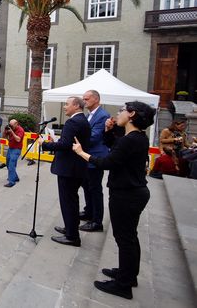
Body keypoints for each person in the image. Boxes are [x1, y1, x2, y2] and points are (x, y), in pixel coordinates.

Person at [72, 101, 156, 300]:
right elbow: (116, 148)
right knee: (129, 237)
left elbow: (108, 162)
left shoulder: (131, 140)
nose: (117, 114)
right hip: (133, 192)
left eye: (121, 111)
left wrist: (81, 153)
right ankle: (128, 274)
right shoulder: (135, 137)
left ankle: (123, 285)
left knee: (124, 238)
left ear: (132, 114)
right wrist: (110, 132)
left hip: (127, 194)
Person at [39, 96, 91, 247]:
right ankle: (70, 228)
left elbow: (65, 144)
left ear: (76, 106)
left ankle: (72, 236)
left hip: (70, 169)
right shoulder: (82, 120)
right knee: (71, 201)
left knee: (68, 202)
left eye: (67, 104)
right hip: (76, 168)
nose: (64, 107)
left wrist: (46, 144)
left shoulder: (73, 122)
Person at [79, 90, 111, 232]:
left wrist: (76, 138)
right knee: (86, 187)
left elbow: (94, 137)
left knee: (95, 189)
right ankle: (89, 211)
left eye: (86, 99)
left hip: (95, 157)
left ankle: (97, 221)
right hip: (86, 157)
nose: (84, 101)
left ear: (96, 99)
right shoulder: (89, 115)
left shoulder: (102, 115)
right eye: (83, 98)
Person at [2, 119, 25, 188]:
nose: (11, 127)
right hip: (10, 148)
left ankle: (12, 182)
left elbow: (18, 139)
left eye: (12, 125)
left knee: (12, 164)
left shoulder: (20, 130)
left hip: (16, 149)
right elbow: (3, 137)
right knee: (8, 164)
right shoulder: (11, 128)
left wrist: (11, 132)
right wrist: (5, 131)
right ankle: (15, 177)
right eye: (10, 125)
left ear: (16, 124)